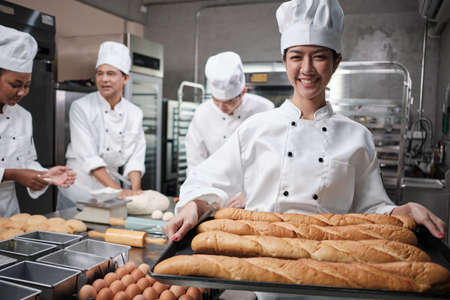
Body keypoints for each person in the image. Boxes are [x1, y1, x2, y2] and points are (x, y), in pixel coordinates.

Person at [166, 0, 446, 248]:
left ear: (336, 62)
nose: (307, 68)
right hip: (261, 266)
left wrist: (401, 212)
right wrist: (194, 206)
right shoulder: (255, 129)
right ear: (285, 61)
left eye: (320, 56)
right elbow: (207, 180)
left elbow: (372, 206)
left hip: (331, 268)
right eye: (297, 56)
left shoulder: (357, 137)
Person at [58, 41, 146, 208]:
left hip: (111, 187)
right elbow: (89, 158)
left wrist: (136, 192)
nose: (104, 79)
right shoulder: (81, 107)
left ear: (125, 78)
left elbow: (136, 157)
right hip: (80, 189)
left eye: (111, 74)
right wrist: (119, 192)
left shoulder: (134, 113)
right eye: (100, 73)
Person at [0, 25, 76, 217]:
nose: (22, 93)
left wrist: (45, 175)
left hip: (9, 215)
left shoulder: (23, 116)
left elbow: (25, 161)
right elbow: (17, 171)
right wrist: (13, 174)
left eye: (27, 86)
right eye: (15, 85)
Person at [185, 51, 274, 208]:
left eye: (229, 102)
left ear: (243, 92)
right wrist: (196, 196)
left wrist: (251, 193)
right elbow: (195, 161)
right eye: (216, 101)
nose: (222, 108)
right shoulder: (202, 113)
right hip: (212, 196)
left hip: (254, 197)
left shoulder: (265, 110)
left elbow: (272, 160)